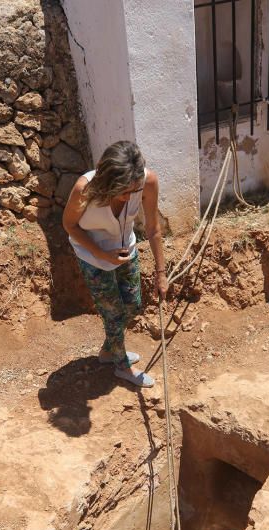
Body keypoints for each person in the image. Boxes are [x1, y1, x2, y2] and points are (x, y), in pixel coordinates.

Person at [63, 140, 168, 388]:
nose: (131, 196)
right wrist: (102, 253)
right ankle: (122, 366)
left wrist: (161, 273)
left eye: (135, 190)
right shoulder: (84, 189)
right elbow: (70, 226)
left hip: (126, 251)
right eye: (124, 191)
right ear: (107, 181)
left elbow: (153, 229)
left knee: (133, 304)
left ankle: (109, 351)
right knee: (113, 313)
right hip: (92, 257)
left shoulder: (147, 182)